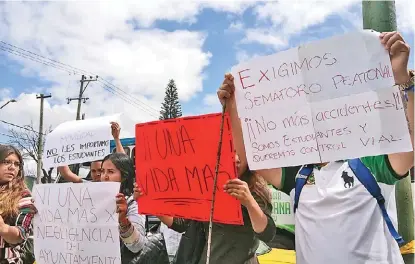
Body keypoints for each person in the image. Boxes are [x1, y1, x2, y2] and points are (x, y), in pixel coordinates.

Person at [217, 31, 413, 264]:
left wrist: (404, 81)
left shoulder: (369, 165)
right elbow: (247, 156)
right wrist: (233, 107)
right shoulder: (297, 176)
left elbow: (409, 145)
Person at [134, 152, 277, 264]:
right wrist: (148, 200)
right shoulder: (205, 187)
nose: (236, 158)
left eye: (240, 152)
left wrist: (249, 202)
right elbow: (181, 223)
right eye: (230, 151)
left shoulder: (254, 189)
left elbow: (267, 234)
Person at [101, 152, 147, 263]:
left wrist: (123, 220)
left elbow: (136, 246)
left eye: (111, 172)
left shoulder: (133, 203)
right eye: (102, 171)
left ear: (124, 177)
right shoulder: (96, 200)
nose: (105, 176)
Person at [0, 144, 35, 264]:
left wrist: (3, 228)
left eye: (16, 164)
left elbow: (21, 234)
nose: (12, 167)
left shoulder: (24, 196)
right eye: (6, 162)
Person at [59, 121, 125, 183]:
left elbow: (123, 163)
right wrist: (59, 147)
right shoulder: (87, 184)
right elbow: (66, 173)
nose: (97, 174)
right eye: (93, 171)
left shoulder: (114, 183)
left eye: (100, 170)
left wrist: (116, 138)